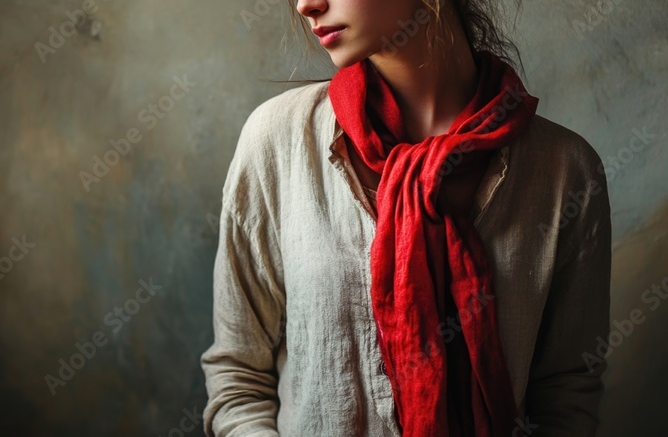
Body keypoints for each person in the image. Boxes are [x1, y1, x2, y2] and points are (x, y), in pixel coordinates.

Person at [201, 0, 611, 436]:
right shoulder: (278, 141)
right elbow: (238, 378)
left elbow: (566, 391)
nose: (306, 4)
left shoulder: (565, 171)